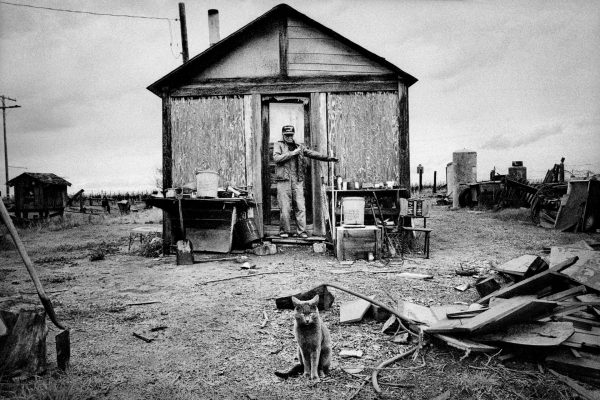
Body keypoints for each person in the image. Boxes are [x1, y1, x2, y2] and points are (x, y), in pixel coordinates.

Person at [273, 125, 338, 238]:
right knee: (285, 207)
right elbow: (276, 158)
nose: (289, 137)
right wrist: (293, 153)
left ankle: (301, 232)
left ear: (293, 135)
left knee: (300, 206)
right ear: (283, 135)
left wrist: (328, 158)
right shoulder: (278, 144)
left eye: (291, 135)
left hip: (297, 180)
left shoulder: (299, 146)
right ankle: (284, 231)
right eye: (286, 135)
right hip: (283, 180)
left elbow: (312, 153)